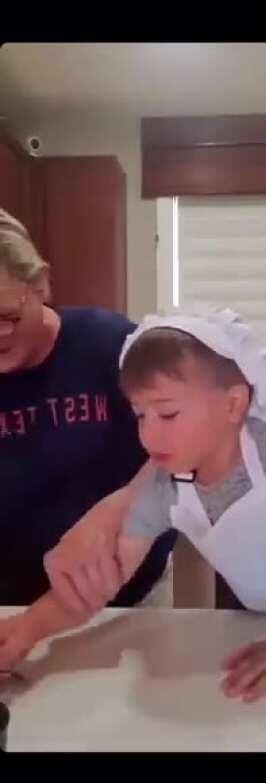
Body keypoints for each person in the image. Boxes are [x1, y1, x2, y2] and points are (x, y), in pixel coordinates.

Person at [0, 307, 266, 704]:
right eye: (140, 415)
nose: (148, 434)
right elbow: (105, 575)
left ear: (233, 405)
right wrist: (28, 628)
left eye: (167, 413)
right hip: (265, 623)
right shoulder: (167, 483)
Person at [0, 209, 175, 611]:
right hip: (11, 608)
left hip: (127, 603)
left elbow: (192, 445)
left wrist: (124, 504)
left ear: (41, 283)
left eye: (7, 316)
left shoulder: (111, 345)